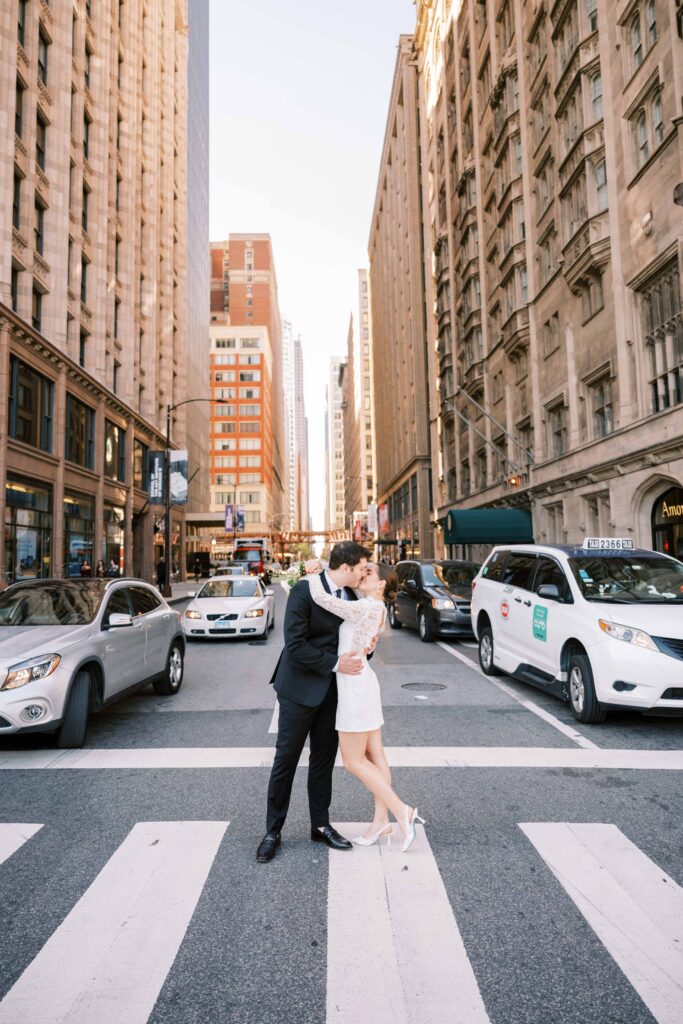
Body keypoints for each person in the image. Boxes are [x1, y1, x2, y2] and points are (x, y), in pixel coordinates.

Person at [256, 541, 371, 864]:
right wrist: (335, 664)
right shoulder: (305, 591)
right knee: (286, 760)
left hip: (334, 692)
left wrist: (366, 648)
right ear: (346, 568)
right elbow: (295, 645)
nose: (364, 573)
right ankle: (272, 831)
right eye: (361, 567)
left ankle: (320, 825)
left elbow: (356, 643)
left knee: (323, 761)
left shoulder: (352, 597)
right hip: (298, 688)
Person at [305, 560, 424, 853]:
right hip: (362, 682)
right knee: (375, 753)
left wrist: (312, 574)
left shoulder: (369, 607)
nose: (361, 575)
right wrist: (325, 564)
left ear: (381, 584)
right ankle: (380, 821)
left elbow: (323, 598)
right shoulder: (374, 607)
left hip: (355, 687)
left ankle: (401, 811)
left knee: (353, 761)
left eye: (368, 573)